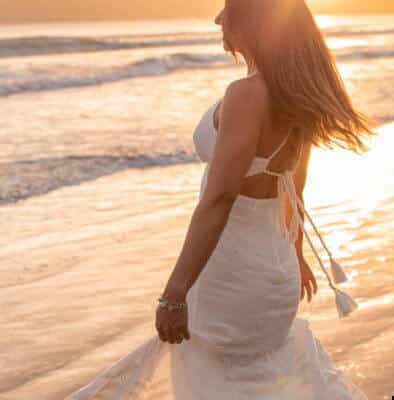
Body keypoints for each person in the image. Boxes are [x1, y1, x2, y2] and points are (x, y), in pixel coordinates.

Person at [65, 1, 377, 398]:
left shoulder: (248, 94)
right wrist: (294, 256)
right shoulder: (294, 91)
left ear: (251, 21)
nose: (217, 19)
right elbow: (293, 189)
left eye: (226, 9)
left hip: (233, 276)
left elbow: (220, 198)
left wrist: (175, 294)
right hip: (273, 273)